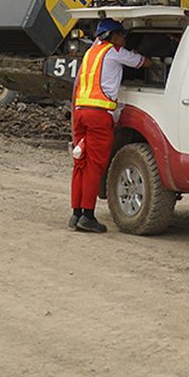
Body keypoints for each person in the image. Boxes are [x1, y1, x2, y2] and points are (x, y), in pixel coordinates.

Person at [69, 18, 147, 233]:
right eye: (122, 34)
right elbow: (142, 62)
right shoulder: (115, 52)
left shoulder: (91, 52)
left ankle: (76, 214)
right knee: (95, 166)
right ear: (113, 36)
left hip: (80, 113)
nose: (124, 38)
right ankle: (88, 215)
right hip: (98, 116)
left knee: (80, 164)